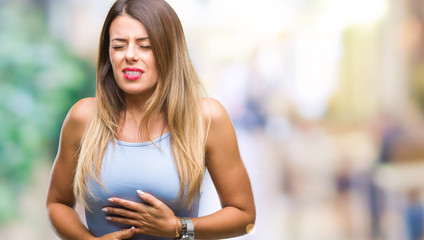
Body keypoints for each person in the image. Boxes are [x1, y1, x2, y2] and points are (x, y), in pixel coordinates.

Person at [46, 0, 256, 239]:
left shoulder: (207, 118)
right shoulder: (84, 117)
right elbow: (57, 204)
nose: (130, 56)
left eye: (144, 46)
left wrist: (178, 228)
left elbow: (244, 217)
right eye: (119, 46)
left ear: (169, 51)